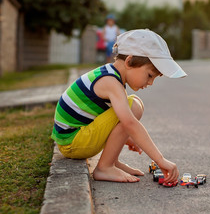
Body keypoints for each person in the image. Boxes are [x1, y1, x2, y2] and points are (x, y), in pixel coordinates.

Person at [51, 29, 187, 183]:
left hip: (73, 139)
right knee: (133, 105)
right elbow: (129, 122)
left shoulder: (110, 74)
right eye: (149, 75)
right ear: (129, 61)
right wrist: (160, 160)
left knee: (133, 102)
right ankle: (105, 167)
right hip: (73, 143)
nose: (150, 83)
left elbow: (107, 119)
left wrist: (126, 138)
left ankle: (112, 163)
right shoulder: (111, 82)